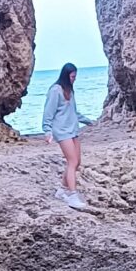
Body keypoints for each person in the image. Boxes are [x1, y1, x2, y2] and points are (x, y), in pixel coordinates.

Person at [40, 62, 87, 209]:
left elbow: (73, 111)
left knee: (76, 162)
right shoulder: (55, 90)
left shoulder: (70, 90)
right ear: (66, 76)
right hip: (62, 131)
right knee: (72, 162)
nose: (74, 79)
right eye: (72, 77)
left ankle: (61, 191)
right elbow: (48, 113)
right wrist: (47, 131)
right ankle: (72, 195)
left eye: (75, 77)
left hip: (73, 130)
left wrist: (88, 120)